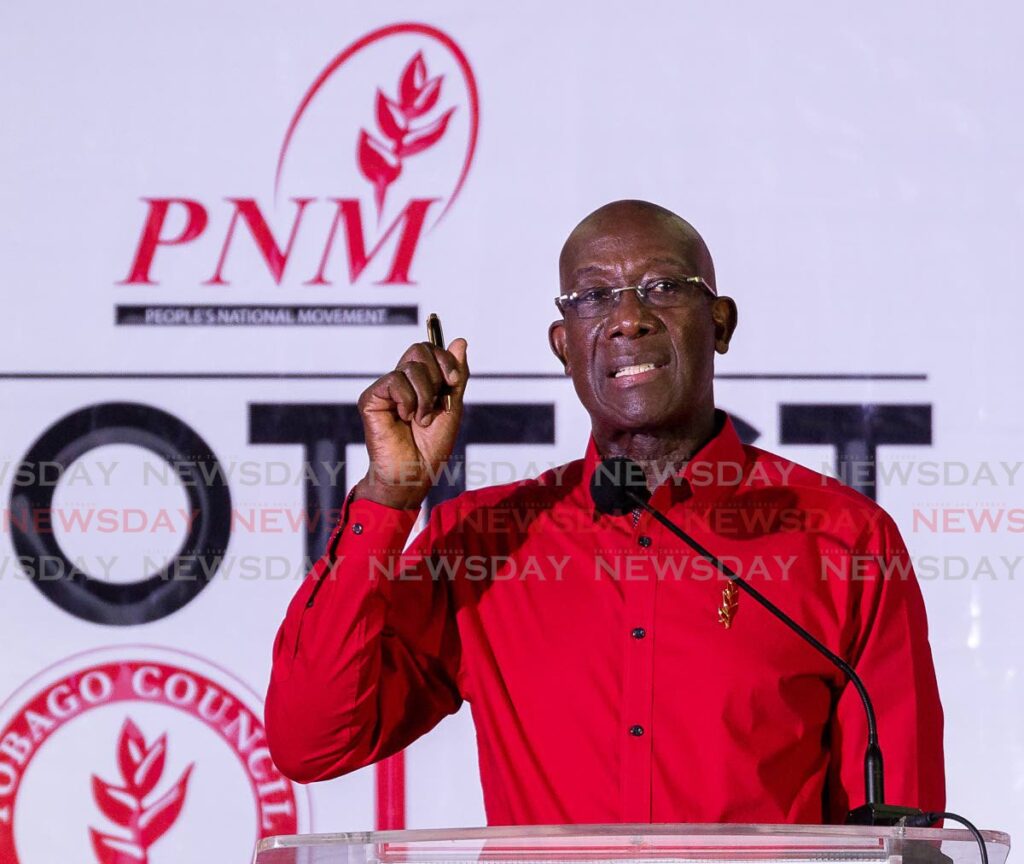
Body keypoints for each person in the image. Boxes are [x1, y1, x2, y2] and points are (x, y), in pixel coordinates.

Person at [265, 200, 944, 824]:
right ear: (564, 343)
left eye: (664, 288)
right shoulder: (483, 544)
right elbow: (312, 741)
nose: (628, 317)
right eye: (595, 296)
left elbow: (900, 830)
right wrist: (391, 494)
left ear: (721, 322)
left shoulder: (843, 537)